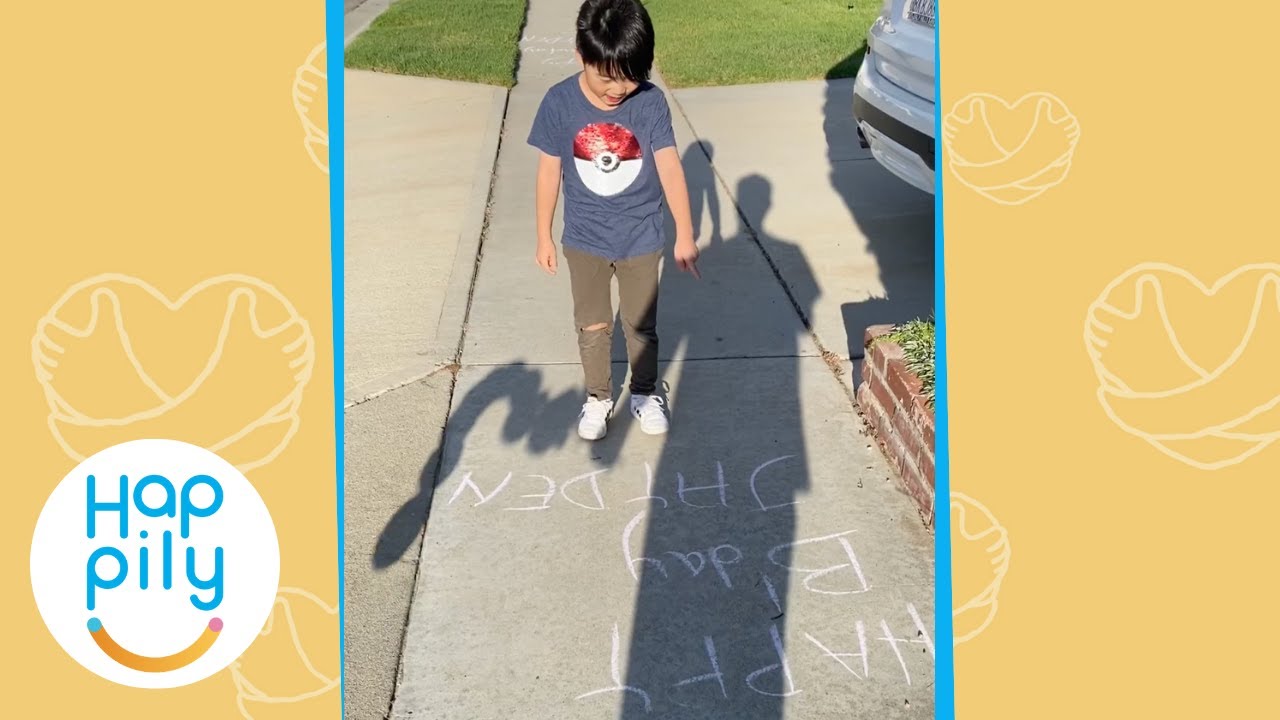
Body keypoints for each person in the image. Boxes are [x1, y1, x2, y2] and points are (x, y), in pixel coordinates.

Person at [527, 0, 700, 441]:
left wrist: (684, 232)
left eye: (630, 76)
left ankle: (644, 393)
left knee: (641, 324)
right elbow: (549, 171)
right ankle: (598, 397)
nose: (618, 88)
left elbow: (669, 166)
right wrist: (542, 235)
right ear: (581, 56)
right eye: (607, 75)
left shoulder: (650, 102)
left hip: (641, 236)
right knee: (593, 323)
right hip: (584, 238)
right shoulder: (559, 103)